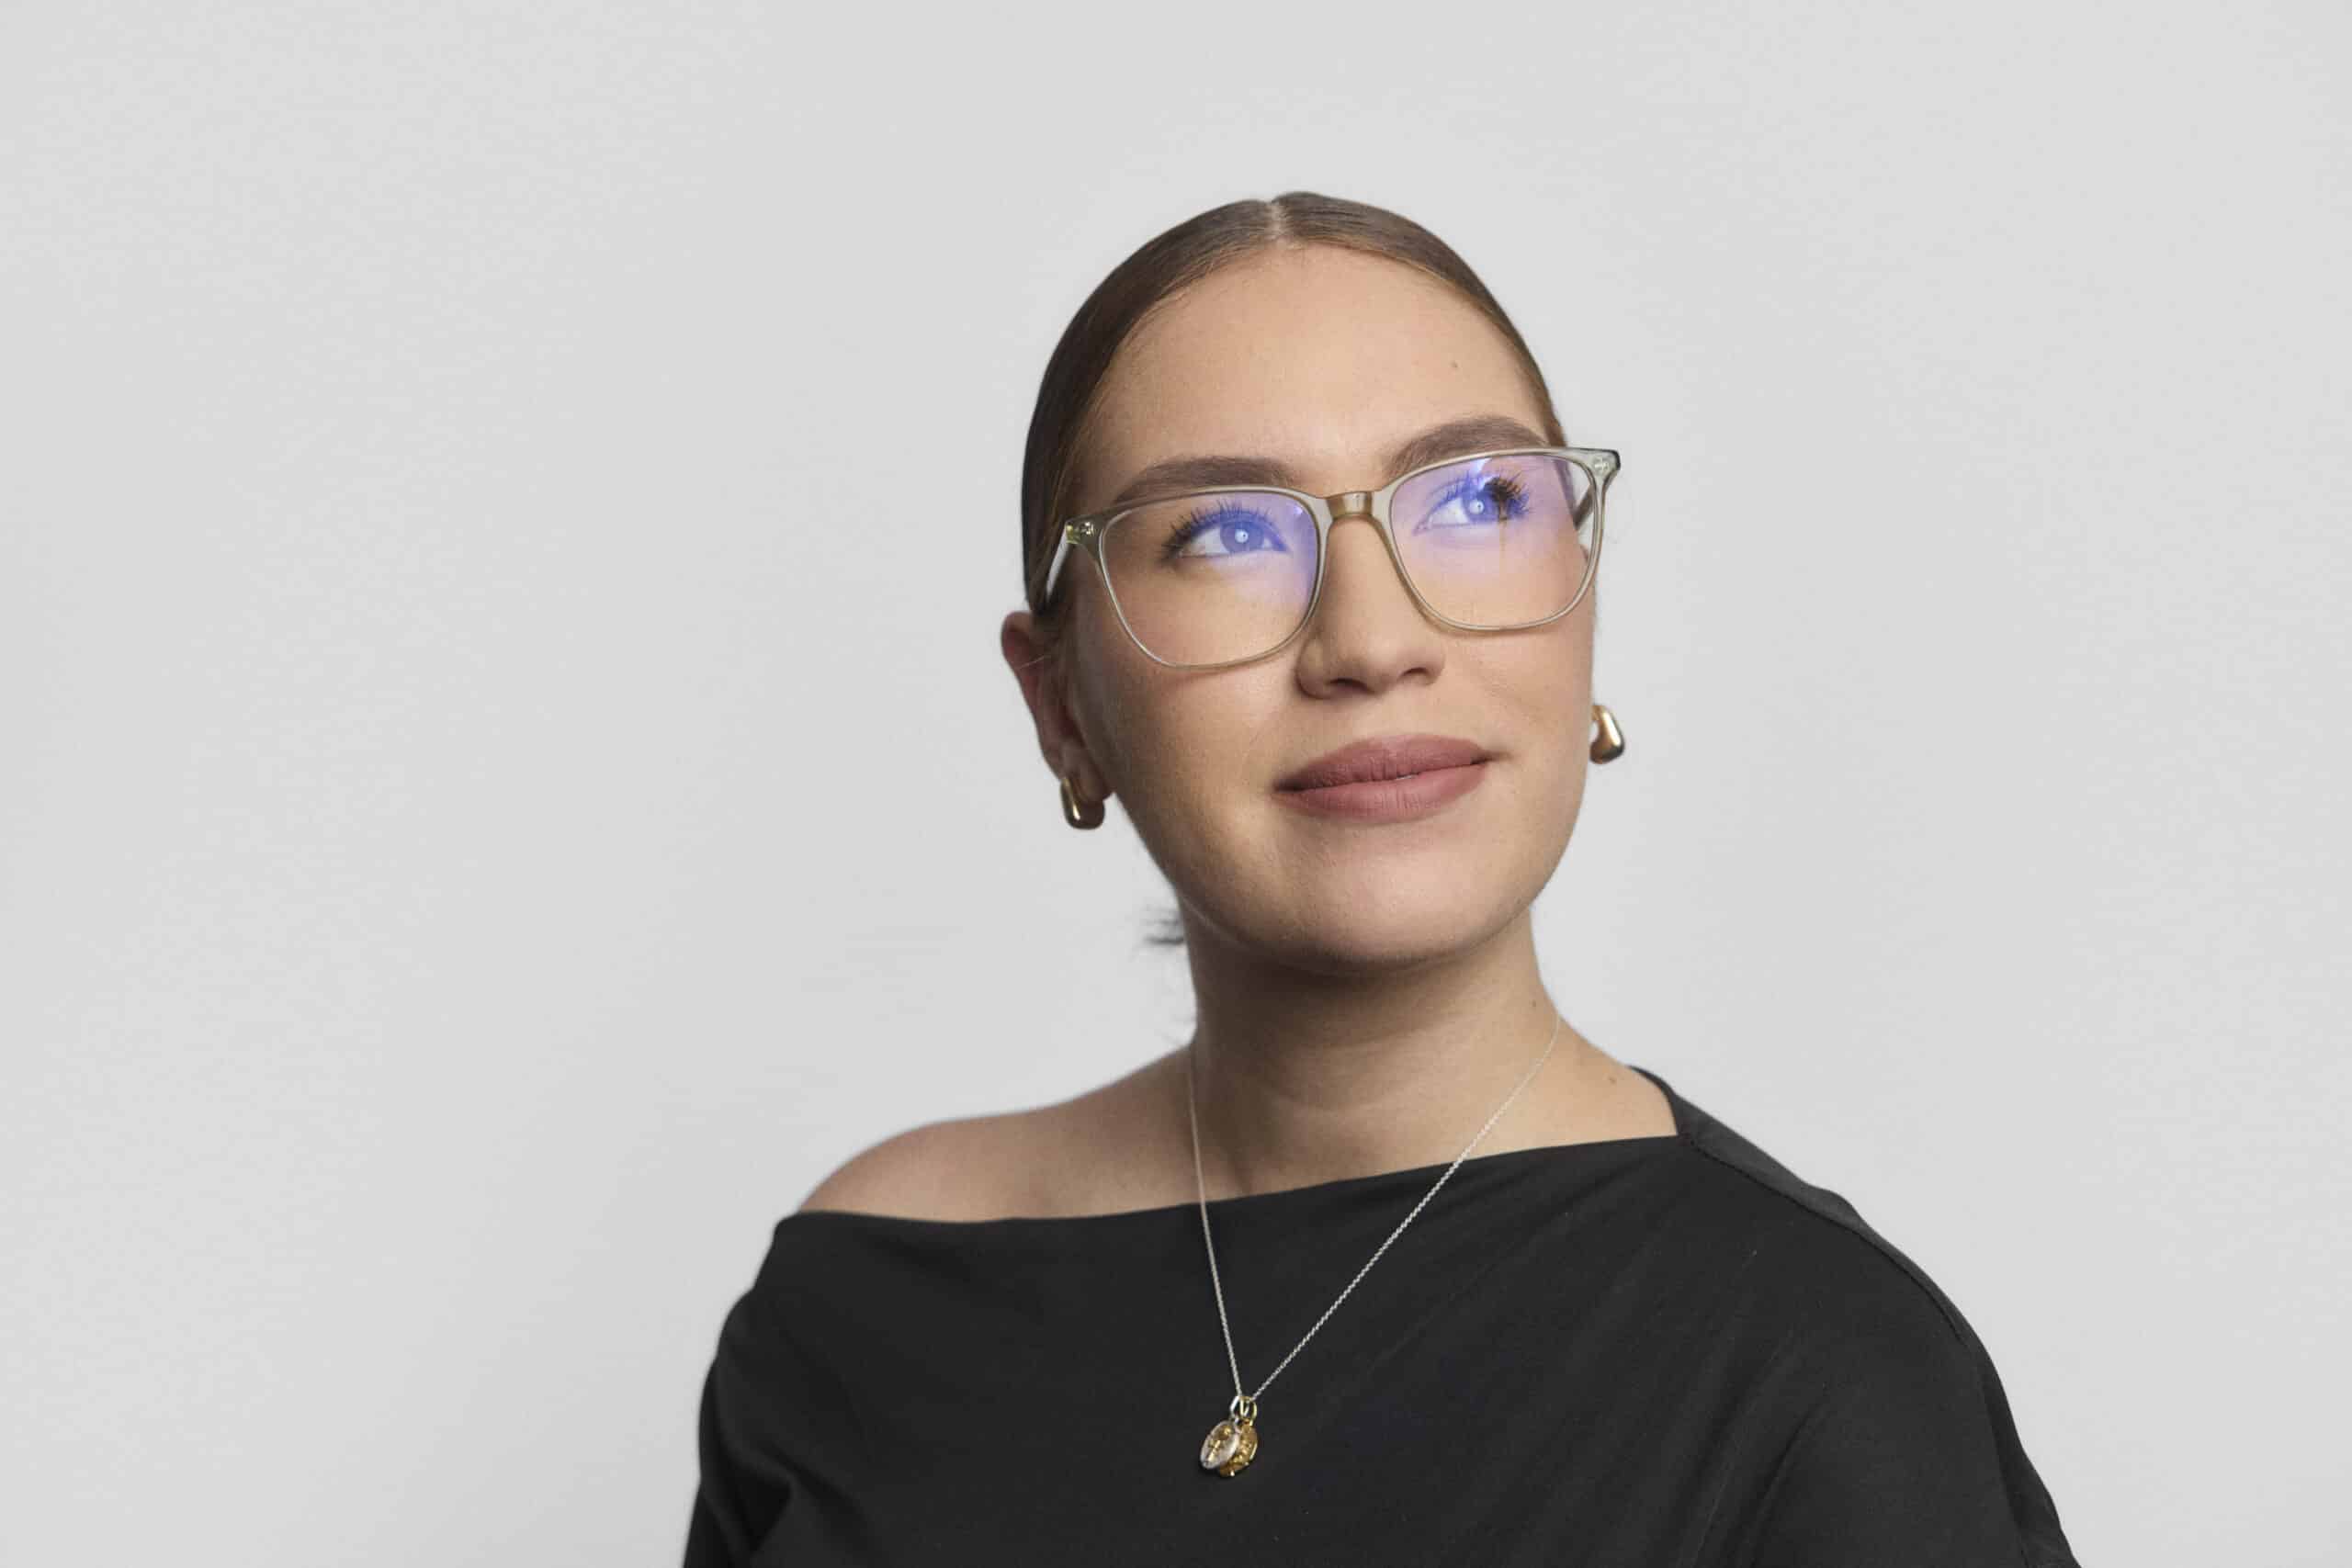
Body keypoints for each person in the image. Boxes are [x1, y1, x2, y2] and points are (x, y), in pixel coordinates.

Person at [684, 191, 2081, 1565]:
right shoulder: (861, 1300)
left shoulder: (1825, 1372)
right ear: (1061, 705)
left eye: (1475, 498)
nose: (1369, 638)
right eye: (1227, 531)